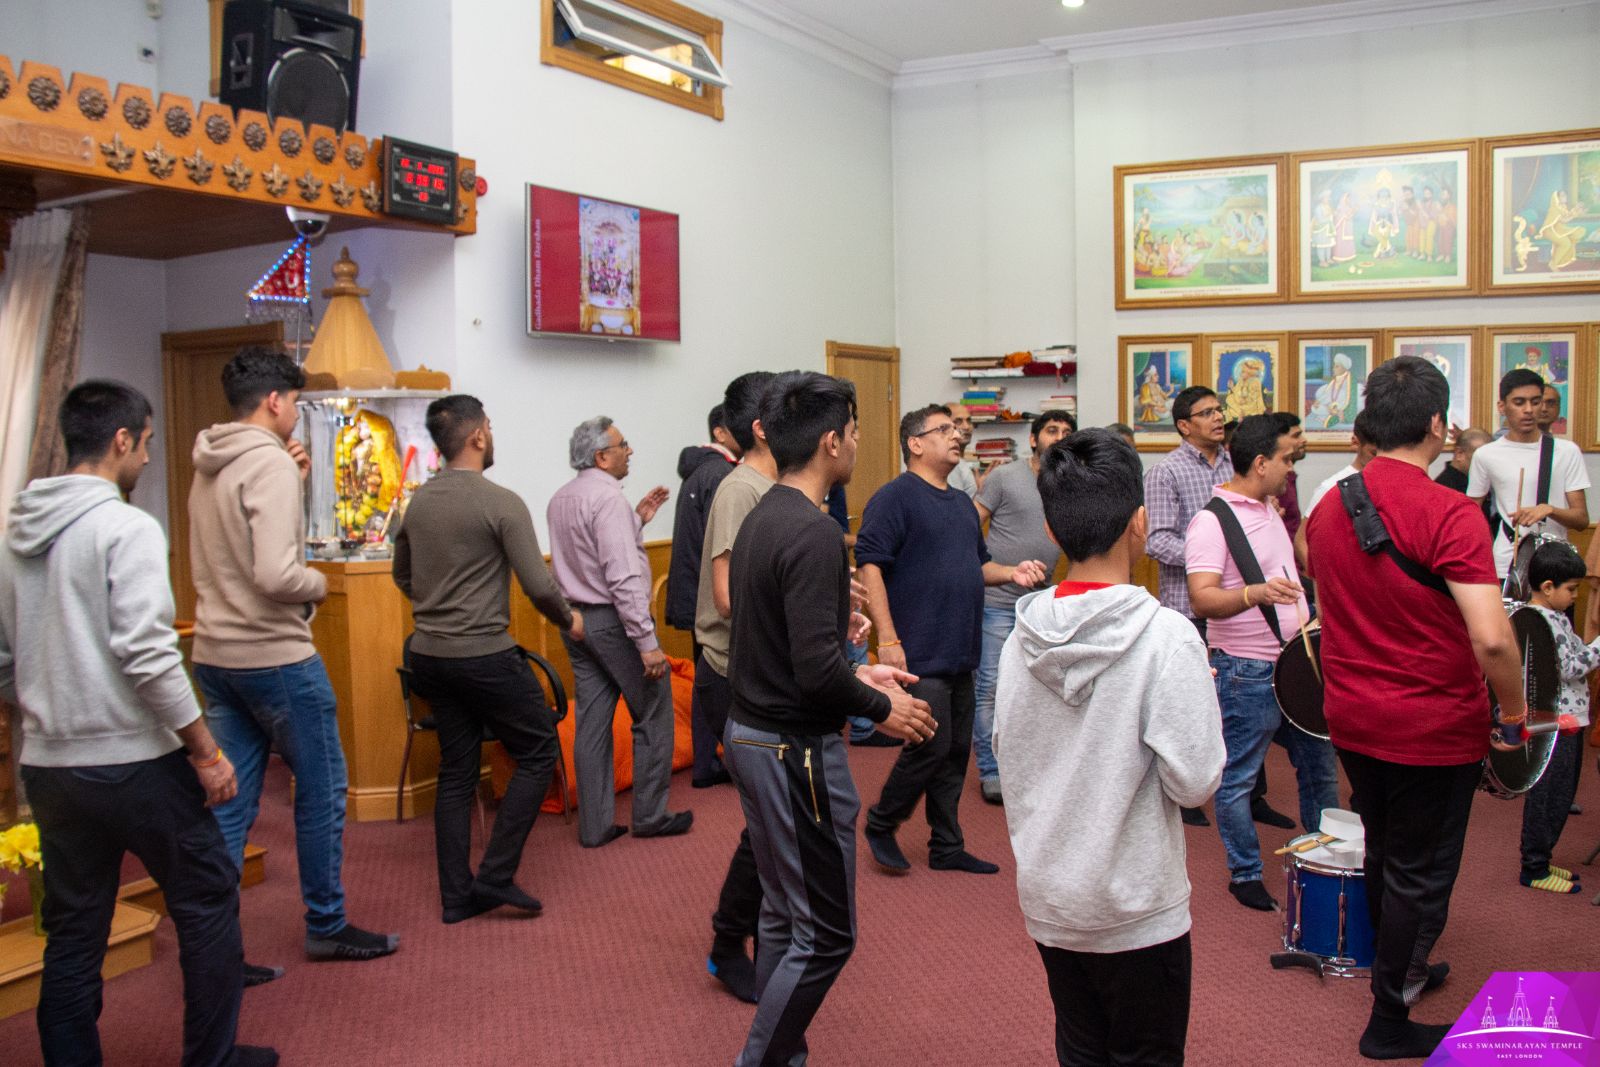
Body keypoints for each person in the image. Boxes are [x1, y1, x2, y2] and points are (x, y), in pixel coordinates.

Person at [0, 382, 275, 1067]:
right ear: (121, 440)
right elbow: (149, 653)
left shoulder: (12, 538)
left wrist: (50, 704)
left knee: (73, 928)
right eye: (147, 442)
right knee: (209, 898)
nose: (148, 456)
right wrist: (206, 749)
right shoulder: (125, 527)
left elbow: (5, 662)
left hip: (49, 763)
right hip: (134, 761)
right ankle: (211, 1059)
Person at [1305, 355, 1528, 1060]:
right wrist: (1517, 716)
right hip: (1432, 727)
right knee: (1420, 873)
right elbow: (1493, 638)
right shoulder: (1450, 512)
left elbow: (1324, 583)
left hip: (1353, 717)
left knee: (1386, 854)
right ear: (1438, 424)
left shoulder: (1329, 503)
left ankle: (1402, 968)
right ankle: (1388, 1021)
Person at [723, 370, 935, 1067]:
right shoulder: (813, 531)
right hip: (791, 751)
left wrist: (856, 672)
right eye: (853, 431)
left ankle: (782, 1055)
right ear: (829, 442)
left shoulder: (764, 511)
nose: (857, 443)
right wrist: (884, 705)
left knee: (786, 914)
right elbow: (813, 670)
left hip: (758, 735)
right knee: (829, 933)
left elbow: (792, 648)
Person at [993, 428, 1225, 1067]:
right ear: (1141, 524)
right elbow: (1196, 783)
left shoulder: (1021, 636)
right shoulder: (1166, 639)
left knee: (1081, 1048)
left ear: (1051, 525)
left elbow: (1007, 749)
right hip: (1135, 904)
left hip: (1051, 894)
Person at [189, 347, 397, 970]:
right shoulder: (270, 466)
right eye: (297, 405)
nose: (297, 417)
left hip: (216, 655)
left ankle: (213, 951)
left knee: (233, 804)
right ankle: (327, 925)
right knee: (322, 791)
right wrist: (318, 584)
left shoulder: (208, 461)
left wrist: (296, 482)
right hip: (275, 656)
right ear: (276, 401)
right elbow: (278, 573)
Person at [392, 395, 581, 923]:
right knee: (539, 751)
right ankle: (495, 875)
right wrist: (571, 620)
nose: (491, 435)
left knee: (457, 772)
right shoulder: (501, 501)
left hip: (429, 655)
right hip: (484, 656)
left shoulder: (419, 503)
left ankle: (456, 897)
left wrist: (437, 610)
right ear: (477, 437)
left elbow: (401, 576)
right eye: (490, 427)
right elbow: (538, 586)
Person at [857, 405, 1048, 874]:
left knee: (956, 752)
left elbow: (977, 566)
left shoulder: (963, 503)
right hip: (918, 646)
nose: (956, 435)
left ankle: (946, 846)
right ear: (915, 443)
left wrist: (1012, 572)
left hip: (962, 645)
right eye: (943, 429)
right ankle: (882, 821)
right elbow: (871, 565)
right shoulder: (895, 498)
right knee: (931, 745)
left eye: (957, 429)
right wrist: (888, 637)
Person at [1186, 415, 1338, 911]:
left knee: (1320, 770)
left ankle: (1324, 863)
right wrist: (1256, 593)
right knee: (1238, 778)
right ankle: (1245, 872)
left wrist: (1308, 618)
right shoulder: (1211, 520)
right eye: (1287, 461)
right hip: (1245, 671)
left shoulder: (1269, 507)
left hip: (1297, 661)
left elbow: (1286, 575)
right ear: (1259, 463)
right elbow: (1203, 600)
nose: (1291, 470)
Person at [548, 417, 691, 847]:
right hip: (614, 623)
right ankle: (649, 815)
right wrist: (646, 643)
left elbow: (584, 557)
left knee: (592, 721)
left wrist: (637, 521)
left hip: (575, 622)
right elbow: (623, 576)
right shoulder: (608, 501)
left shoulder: (562, 498)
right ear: (601, 456)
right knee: (654, 710)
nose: (630, 451)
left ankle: (594, 827)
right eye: (623, 445)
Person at [694, 370, 777, 1001]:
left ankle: (753, 934)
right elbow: (726, 599)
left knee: (776, 820)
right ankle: (728, 942)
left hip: (765, 669)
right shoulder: (739, 490)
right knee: (764, 823)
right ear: (761, 425)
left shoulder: (769, 487)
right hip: (739, 671)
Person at [972, 409, 1073, 805]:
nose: (1059, 437)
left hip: (1043, 601)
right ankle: (990, 770)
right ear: (1034, 439)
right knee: (991, 687)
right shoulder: (1004, 476)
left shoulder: (1067, 483)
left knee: (1040, 689)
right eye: (1052, 430)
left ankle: (1028, 764)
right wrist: (985, 568)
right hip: (998, 601)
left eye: (1067, 431)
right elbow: (970, 523)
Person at [1144, 385, 1230, 826]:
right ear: (1184, 425)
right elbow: (1156, 540)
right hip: (1188, 606)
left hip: (1237, 604)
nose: (1218, 417)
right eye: (1207, 413)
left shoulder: (1238, 464)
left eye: (1219, 410)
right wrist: (1210, 559)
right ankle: (1187, 795)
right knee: (1191, 702)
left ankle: (1244, 792)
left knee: (1238, 700)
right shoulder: (1167, 472)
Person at [666, 402, 741, 788]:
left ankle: (706, 762)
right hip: (707, 596)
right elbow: (724, 547)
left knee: (705, 679)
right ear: (720, 433)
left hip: (694, 592)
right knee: (714, 680)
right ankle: (717, 760)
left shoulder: (703, 470)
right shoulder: (719, 475)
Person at [1516, 542, 1593, 895]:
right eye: (1571, 589)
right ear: (1547, 587)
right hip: (1555, 724)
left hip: (1570, 720)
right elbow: (1570, 666)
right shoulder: (1541, 620)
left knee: (1562, 795)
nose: (1575, 596)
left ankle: (1543, 859)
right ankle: (1533, 867)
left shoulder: (1557, 617)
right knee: (1547, 797)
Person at [1467, 369, 1590, 579]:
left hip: (1555, 566)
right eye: (1519, 402)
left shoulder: (1566, 451)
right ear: (1502, 406)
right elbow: (1471, 513)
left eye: (1535, 402)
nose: (1528, 410)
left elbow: (1581, 519)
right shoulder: (1486, 454)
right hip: (1506, 563)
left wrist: (1550, 510)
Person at [944, 402, 980, 498]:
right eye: (958, 421)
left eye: (969, 421)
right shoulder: (949, 463)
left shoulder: (961, 462)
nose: (967, 427)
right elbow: (958, 510)